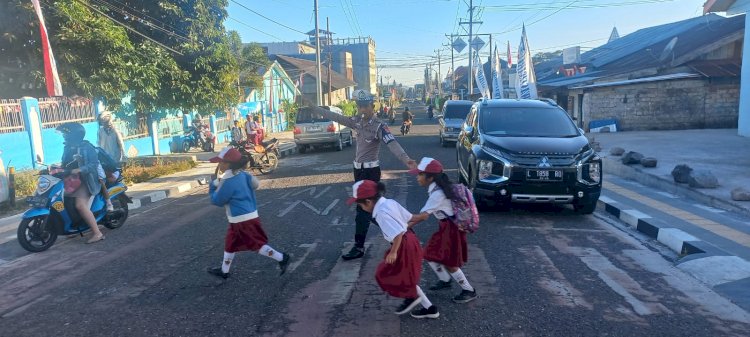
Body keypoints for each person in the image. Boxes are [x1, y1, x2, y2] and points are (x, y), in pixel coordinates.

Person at [306, 89, 417, 260]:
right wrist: (318, 110)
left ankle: (367, 244)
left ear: (373, 106)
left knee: (364, 211)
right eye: (360, 106)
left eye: (366, 106)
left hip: (371, 173)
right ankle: (400, 231)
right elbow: (338, 118)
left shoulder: (379, 126)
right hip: (358, 171)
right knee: (369, 211)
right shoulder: (357, 122)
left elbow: (392, 143)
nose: (363, 109)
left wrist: (406, 159)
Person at [348, 180, 439, 319]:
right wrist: (422, 216)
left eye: (359, 204)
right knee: (406, 277)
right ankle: (430, 308)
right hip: (410, 240)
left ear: (368, 201)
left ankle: (412, 297)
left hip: (403, 244)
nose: (360, 207)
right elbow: (409, 217)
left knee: (384, 274)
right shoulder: (389, 202)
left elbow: (397, 234)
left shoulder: (381, 214)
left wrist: (394, 251)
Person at [206, 146, 291, 279]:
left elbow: (217, 200)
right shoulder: (244, 175)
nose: (219, 165)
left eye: (220, 162)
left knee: (257, 245)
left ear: (228, 164)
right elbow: (256, 185)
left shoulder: (227, 181)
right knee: (230, 243)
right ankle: (224, 271)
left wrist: (212, 186)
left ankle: (282, 258)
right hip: (248, 216)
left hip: (241, 219)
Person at [408, 157, 478, 303]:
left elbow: (422, 217)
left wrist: (403, 227)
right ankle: (445, 280)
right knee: (428, 253)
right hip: (446, 227)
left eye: (420, 174)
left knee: (450, 263)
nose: (417, 177)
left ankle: (468, 290)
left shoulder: (437, 194)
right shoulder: (438, 188)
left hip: (452, 230)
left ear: (430, 177)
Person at [57, 122, 106, 244]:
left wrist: (79, 169)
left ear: (74, 135)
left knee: (80, 205)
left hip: (86, 180)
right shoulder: (67, 147)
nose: (64, 136)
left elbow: (93, 165)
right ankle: (73, 228)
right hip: (72, 180)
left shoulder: (87, 147)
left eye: (65, 134)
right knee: (64, 202)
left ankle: (97, 233)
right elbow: (65, 163)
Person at [97, 112, 124, 211]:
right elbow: (99, 144)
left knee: (112, 177)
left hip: (115, 158)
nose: (102, 123)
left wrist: (123, 157)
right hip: (105, 159)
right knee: (104, 178)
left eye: (103, 121)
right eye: (101, 122)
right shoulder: (100, 131)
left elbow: (121, 143)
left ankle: (114, 199)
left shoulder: (115, 130)